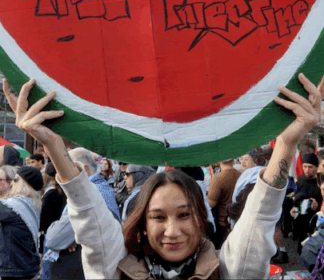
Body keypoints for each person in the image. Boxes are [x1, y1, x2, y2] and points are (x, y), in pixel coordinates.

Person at [3, 72, 324, 279]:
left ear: (202, 220)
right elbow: (88, 216)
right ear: (142, 225)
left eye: (184, 214)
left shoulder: (228, 272)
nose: (172, 230)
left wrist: (287, 142)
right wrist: (53, 145)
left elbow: (261, 215)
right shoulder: (115, 271)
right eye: (158, 217)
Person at [43, 147, 120, 280]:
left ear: (84, 169)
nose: (59, 176)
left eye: (65, 169)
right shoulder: (99, 188)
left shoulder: (90, 195)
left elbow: (53, 238)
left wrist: (62, 232)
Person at [0, 165, 43, 280]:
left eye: (15, 179)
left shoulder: (16, 206)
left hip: (16, 270)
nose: (12, 183)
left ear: (24, 184)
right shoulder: (32, 203)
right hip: (27, 267)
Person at [291, 153, 323, 253]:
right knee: (301, 250)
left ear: (316, 167)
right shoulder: (301, 179)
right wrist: (293, 208)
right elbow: (297, 194)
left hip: (315, 225)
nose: (307, 169)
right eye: (304, 166)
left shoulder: (320, 183)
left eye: (310, 167)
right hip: (300, 222)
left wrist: (317, 206)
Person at [208, 158, 241, 249]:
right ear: (233, 160)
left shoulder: (218, 178)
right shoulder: (241, 175)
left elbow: (211, 203)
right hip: (239, 220)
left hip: (224, 223)